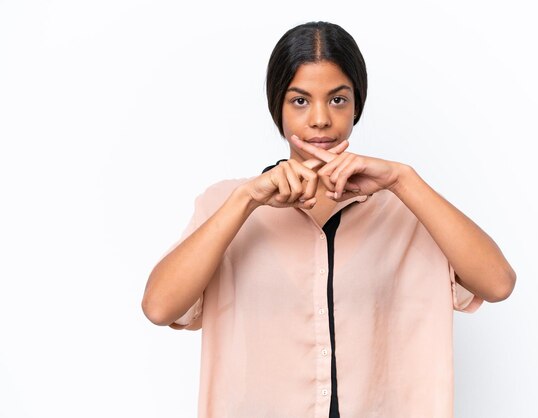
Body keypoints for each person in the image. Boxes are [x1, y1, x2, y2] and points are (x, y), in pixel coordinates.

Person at [142, 21, 516, 418]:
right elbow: (159, 308)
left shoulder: (407, 209)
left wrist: (404, 180)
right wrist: (246, 200)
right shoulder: (226, 204)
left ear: (358, 104)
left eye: (337, 99)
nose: (320, 119)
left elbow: (498, 283)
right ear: (277, 108)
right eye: (300, 101)